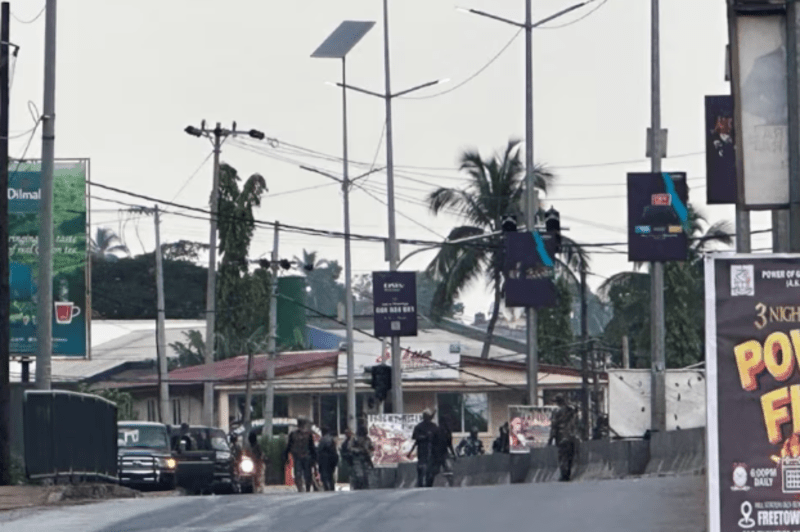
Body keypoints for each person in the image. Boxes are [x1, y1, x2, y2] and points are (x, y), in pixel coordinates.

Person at [548, 394, 579, 481]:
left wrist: (551, 439)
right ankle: (568, 473)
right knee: (570, 456)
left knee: (562, 457)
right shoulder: (570, 410)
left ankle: (564, 474)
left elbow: (554, 426)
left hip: (561, 438)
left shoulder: (556, 413)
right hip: (571, 437)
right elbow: (576, 422)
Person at [407, 409, 439, 488]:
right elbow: (415, 438)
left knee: (430, 469)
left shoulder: (434, 426)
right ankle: (421, 483)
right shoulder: (419, 427)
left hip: (432, 451)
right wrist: (425, 437)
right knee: (422, 468)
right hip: (422, 450)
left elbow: (438, 438)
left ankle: (428, 483)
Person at [284, 418, 317, 492]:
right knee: (301, 473)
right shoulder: (302, 434)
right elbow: (312, 447)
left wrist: (314, 458)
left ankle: (305, 488)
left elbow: (311, 447)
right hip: (300, 456)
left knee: (305, 474)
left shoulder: (305, 434)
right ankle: (302, 488)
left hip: (303, 457)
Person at [349, 426, 374, 491]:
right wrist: (358, 450)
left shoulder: (367, 439)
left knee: (366, 475)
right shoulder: (355, 439)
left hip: (365, 459)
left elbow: (371, 448)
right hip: (357, 458)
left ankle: (365, 487)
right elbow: (350, 448)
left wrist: (369, 453)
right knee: (359, 474)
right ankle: (358, 487)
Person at [435, 416, 457, 487]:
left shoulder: (439, 430)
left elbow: (449, 444)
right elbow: (450, 445)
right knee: (447, 468)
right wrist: (453, 454)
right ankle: (449, 482)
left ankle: (449, 482)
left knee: (446, 468)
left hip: (440, 452)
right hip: (441, 452)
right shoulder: (445, 431)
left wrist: (453, 454)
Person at [316, 426, 339, 491]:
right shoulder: (331, 438)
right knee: (330, 475)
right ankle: (332, 487)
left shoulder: (323, 439)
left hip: (325, 460)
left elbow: (320, 450)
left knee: (325, 475)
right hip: (332, 459)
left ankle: (327, 488)